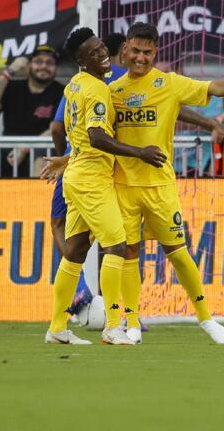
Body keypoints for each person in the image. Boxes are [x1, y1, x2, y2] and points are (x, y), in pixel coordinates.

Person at [107, 22, 224, 345]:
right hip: (122, 186)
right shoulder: (113, 91)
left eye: (147, 52)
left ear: (155, 52)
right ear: (125, 50)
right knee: (129, 251)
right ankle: (132, 322)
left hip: (160, 186)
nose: (141, 58)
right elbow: (98, 136)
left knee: (178, 252)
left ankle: (206, 318)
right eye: (135, 51)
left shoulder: (169, 83)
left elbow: (216, 87)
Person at [44, 27, 167, 345]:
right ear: (81, 59)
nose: (102, 55)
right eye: (94, 52)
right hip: (91, 179)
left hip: (76, 175)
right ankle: (113, 326)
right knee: (116, 246)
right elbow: (97, 137)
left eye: (101, 48)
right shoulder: (97, 90)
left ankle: (57, 327)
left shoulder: (74, 84)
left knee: (74, 252)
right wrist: (140, 152)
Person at [0, 45, 64, 177]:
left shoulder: (62, 92)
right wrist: (9, 71)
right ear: (28, 65)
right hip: (9, 148)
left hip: (42, 147)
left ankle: (39, 192)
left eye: (49, 63)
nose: (44, 66)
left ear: (56, 69)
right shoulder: (13, 87)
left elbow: (54, 129)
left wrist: (25, 148)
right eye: (38, 61)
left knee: (42, 160)